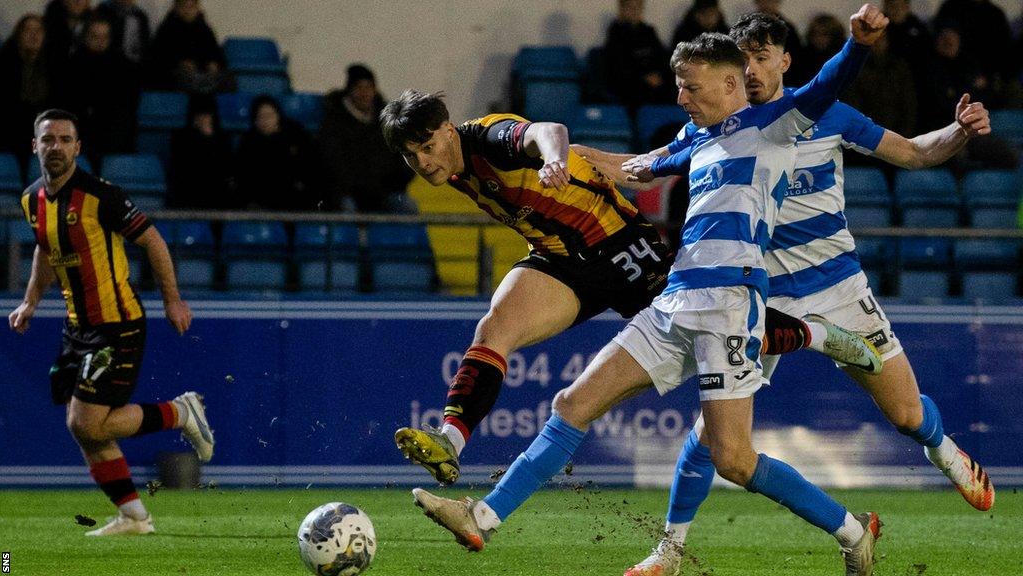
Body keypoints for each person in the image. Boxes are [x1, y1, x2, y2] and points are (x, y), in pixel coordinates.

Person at [410, 5, 889, 575]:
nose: (681, 96)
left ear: (731, 82)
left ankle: (851, 529)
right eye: (680, 85)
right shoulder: (696, 137)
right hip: (675, 300)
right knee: (572, 403)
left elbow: (825, 86)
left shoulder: (778, 122)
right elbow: (638, 167)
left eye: (691, 86)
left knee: (733, 460)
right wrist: (571, 157)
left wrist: (857, 45)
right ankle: (480, 518)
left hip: (731, 307)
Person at [616, 12, 995, 576]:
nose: (750, 71)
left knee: (907, 413)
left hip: (839, 287)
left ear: (785, 61)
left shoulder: (821, 114)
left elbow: (914, 153)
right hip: (760, 297)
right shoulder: (711, 128)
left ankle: (944, 451)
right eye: (740, 61)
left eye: (761, 58)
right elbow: (642, 170)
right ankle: (669, 550)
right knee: (711, 433)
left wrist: (960, 131)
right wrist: (558, 156)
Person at [382, 91, 881, 487]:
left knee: (725, 328)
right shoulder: (454, 168)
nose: (423, 163)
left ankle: (817, 335)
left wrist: (554, 158)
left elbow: (546, 131)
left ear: (448, 130)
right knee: (494, 329)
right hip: (560, 261)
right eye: (410, 156)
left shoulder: (485, 137)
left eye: (428, 147)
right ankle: (449, 442)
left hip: (622, 247)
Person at [8, 109, 215, 536]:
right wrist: (30, 302)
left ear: (78, 148)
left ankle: (180, 412)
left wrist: (172, 300)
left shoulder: (102, 196)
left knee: (85, 422)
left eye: (65, 140)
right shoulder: (32, 200)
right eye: (48, 140)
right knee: (85, 429)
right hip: (76, 327)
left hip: (116, 323)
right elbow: (45, 250)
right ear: (35, 146)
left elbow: (153, 241)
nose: (56, 147)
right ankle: (135, 516)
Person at [319, 64, 413, 213]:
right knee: (347, 209)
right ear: (349, 91)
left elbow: (405, 155)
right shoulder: (334, 122)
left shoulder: (388, 121)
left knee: (406, 206)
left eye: (368, 87)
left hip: (384, 192)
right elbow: (333, 163)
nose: (364, 93)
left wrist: (394, 183)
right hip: (348, 194)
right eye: (359, 88)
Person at [67, 16, 140, 164]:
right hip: (82, 135)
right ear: (85, 37)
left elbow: (128, 104)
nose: (100, 41)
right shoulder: (72, 66)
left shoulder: (124, 67)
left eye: (105, 36)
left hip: (114, 137)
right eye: (95, 36)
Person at [0, 14, 67, 163]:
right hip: (10, 134)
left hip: (44, 134)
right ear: (19, 35)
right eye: (28, 30)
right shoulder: (4, 66)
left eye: (38, 30)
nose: (33, 35)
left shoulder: (54, 67)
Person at [235, 95, 321, 211]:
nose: (266, 120)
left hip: (296, 196)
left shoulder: (295, 134)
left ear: (278, 115)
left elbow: (309, 165)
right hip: (262, 199)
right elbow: (245, 177)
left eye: (269, 115)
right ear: (255, 120)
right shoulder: (248, 142)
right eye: (261, 117)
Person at [167, 95, 236, 209]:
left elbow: (225, 167)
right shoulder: (180, 138)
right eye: (200, 115)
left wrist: (210, 139)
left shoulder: (222, 138)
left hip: (218, 195)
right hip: (189, 194)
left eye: (207, 115)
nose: (203, 119)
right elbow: (182, 168)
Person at [602, 0, 674, 110]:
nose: (634, 11)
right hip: (630, 85)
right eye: (630, 7)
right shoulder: (615, 34)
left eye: (638, 8)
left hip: (654, 82)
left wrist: (659, 75)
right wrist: (644, 78)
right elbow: (617, 67)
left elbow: (662, 58)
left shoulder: (649, 32)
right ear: (622, 9)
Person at [148, 0, 228, 93]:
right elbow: (159, 58)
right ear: (176, 8)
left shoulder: (205, 30)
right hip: (176, 76)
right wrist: (180, 64)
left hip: (202, 74)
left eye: (191, 7)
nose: (188, 11)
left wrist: (213, 64)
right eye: (184, 6)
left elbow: (217, 55)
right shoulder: (167, 29)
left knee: (227, 79)